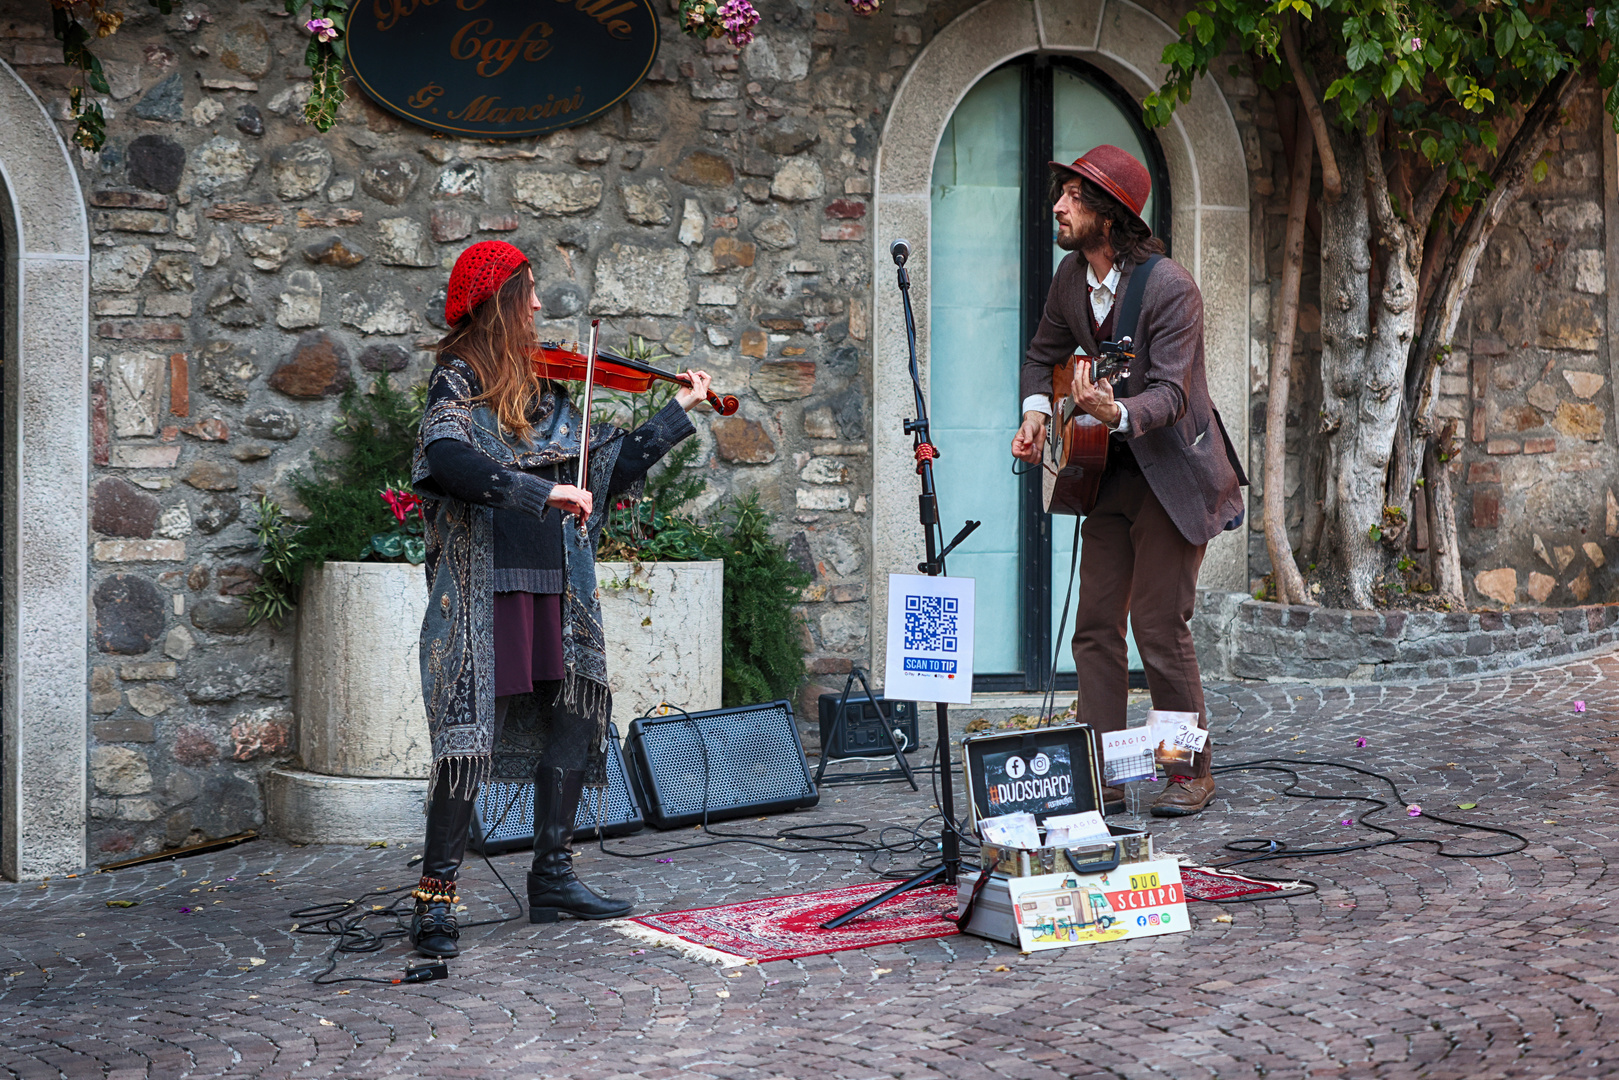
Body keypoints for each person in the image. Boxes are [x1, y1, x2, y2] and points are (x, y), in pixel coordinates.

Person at [408, 240, 710, 957]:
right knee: (468, 739)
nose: (540, 307)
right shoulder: (457, 380)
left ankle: (552, 877)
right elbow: (448, 461)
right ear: (498, 300)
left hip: (558, 584)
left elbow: (602, 474)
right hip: (488, 587)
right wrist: (541, 491)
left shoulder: (548, 392)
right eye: (529, 292)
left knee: (574, 719)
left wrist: (676, 411)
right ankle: (434, 899)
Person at [1010, 146, 1246, 819]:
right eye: (1061, 193)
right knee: (1093, 625)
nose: (1058, 205)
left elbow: (1171, 394)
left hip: (1173, 476)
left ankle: (1184, 773)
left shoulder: (1170, 288)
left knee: (1157, 624)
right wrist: (1035, 417)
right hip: (1105, 475)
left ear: (1109, 216)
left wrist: (1115, 410)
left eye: (1074, 197)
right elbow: (1040, 356)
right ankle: (1102, 775)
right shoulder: (1069, 278)